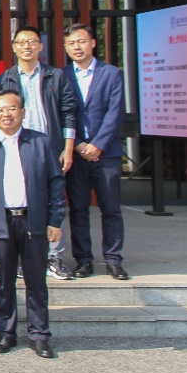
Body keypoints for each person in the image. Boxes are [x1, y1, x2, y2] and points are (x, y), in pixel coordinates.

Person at [0, 90, 67, 359]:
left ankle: (39, 335)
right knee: (4, 282)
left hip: (34, 221)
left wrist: (55, 220)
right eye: (0, 110)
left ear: (22, 112)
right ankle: (6, 333)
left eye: (11, 108)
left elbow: (56, 183)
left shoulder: (41, 142)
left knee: (36, 281)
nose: (6, 114)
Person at [0, 26, 78, 282]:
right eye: (21, 42)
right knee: (21, 202)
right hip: (16, 146)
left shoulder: (56, 76)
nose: (26, 46)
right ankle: (23, 258)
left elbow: (68, 113)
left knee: (52, 200)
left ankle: (54, 257)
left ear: (41, 46)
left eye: (31, 42)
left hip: (49, 147)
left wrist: (68, 147)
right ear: (14, 47)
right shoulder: (5, 79)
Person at [63, 22, 128, 280]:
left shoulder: (111, 73)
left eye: (81, 41)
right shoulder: (61, 76)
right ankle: (84, 261)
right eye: (71, 43)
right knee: (78, 209)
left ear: (92, 43)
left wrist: (98, 144)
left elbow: (115, 112)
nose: (77, 47)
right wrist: (78, 143)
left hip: (106, 153)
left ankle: (113, 260)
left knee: (110, 208)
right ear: (66, 47)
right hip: (76, 153)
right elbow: (60, 114)